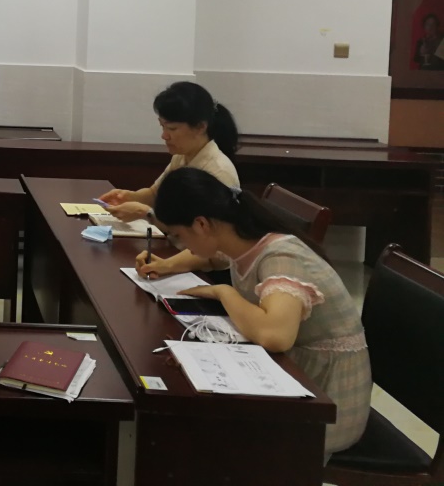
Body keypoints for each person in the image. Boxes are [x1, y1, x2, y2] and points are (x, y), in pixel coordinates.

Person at [136, 168, 370, 457]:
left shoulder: (282, 259)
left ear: (201, 224)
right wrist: (167, 265)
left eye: (178, 235)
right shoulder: (239, 236)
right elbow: (211, 257)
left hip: (329, 398)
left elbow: (275, 336)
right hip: (295, 373)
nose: (182, 245)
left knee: (200, 434)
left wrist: (225, 293)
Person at [99, 81, 239, 223]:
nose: (164, 136)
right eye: (162, 126)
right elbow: (155, 194)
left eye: (172, 128)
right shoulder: (181, 157)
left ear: (200, 127)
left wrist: (146, 214)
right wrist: (128, 197)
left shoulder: (219, 171)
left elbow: (203, 230)